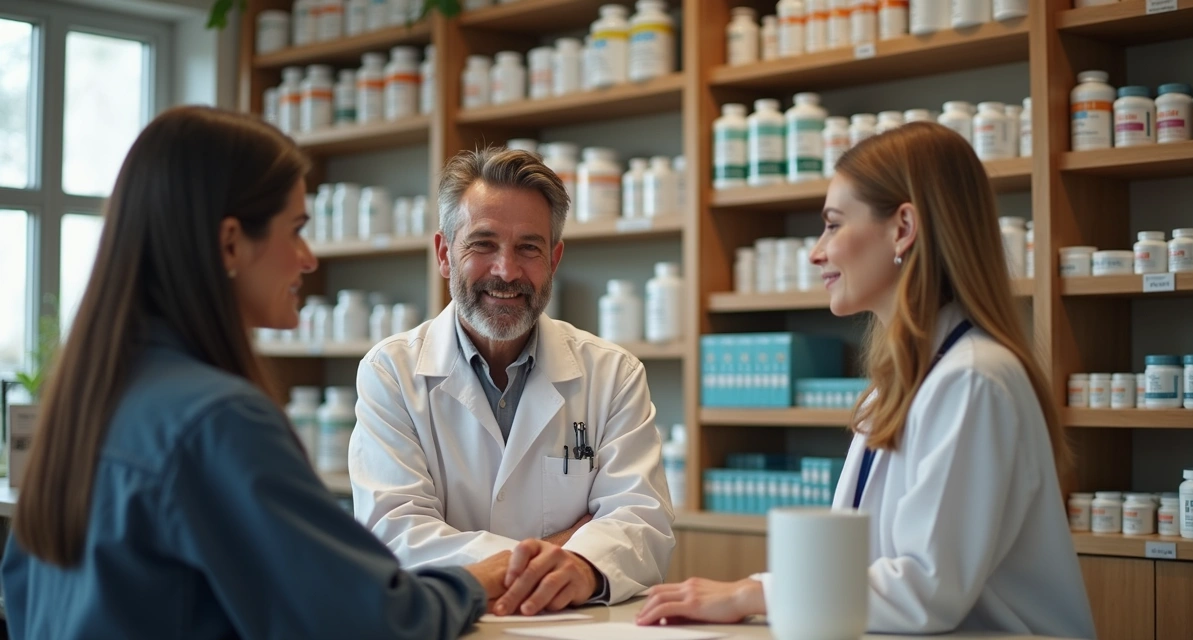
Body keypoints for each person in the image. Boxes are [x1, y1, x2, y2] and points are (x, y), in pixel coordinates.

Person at [0, 106, 510, 639]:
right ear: (229, 243)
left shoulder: (89, 399)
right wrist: (481, 580)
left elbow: (23, 594)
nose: (308, 259)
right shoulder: (216, 420)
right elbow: (366, 621)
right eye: (295, 230)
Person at [637, 122, 1097, 639]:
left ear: (903, 228)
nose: (816, 252)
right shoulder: (903, 383)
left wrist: (752, 593)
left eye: (833, 225)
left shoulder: (973, 381)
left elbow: (926, 590)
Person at [350, 147, 675, 617]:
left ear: (555, 259)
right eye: (482, 244)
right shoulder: (391, 373)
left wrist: (584, 566)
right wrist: (562, 549)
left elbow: (643, 521)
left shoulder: (613, 373)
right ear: (444, 254)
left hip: (573, 625)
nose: (506, 271)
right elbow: (396, 534)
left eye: (529, 248)